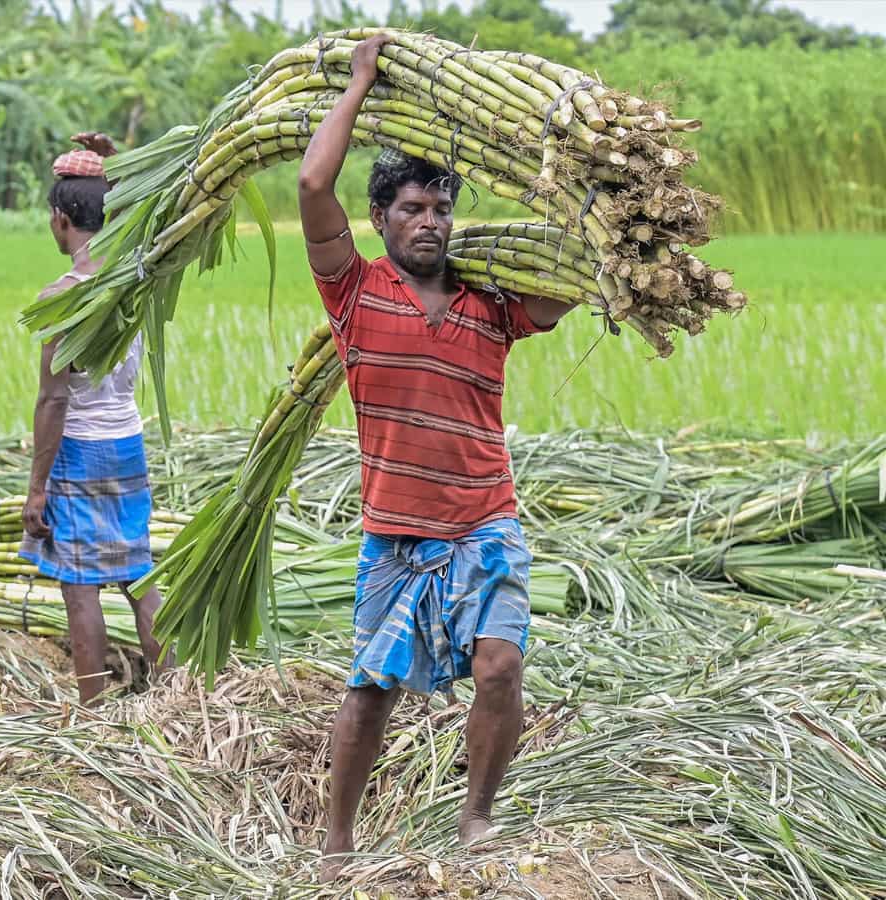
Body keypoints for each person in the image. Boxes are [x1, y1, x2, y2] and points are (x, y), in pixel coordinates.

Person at [296, 36, 576, 877]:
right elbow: (313, 184)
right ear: (381, 220)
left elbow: (567, 285)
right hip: (396, 533)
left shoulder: (492, 302)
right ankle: (337, 843)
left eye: (440, 210)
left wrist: (576, 188)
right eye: (412, 209)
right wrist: (359, 83)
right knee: (371, 690)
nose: (428, 224)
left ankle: (477, 821)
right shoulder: (354, 291)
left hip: (487, 520)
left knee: (501, 667)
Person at [20, 133, 170, 705]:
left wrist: (37, 488)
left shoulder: (65, 295)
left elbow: (53, 400)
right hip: (127, 442)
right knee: (136, 574)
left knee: (79, 588)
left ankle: (92, 709)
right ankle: (175, 696)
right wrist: (123, 159)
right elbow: (152, 207)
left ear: (61, 219)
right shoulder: (131, 277)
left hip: (80, 449)